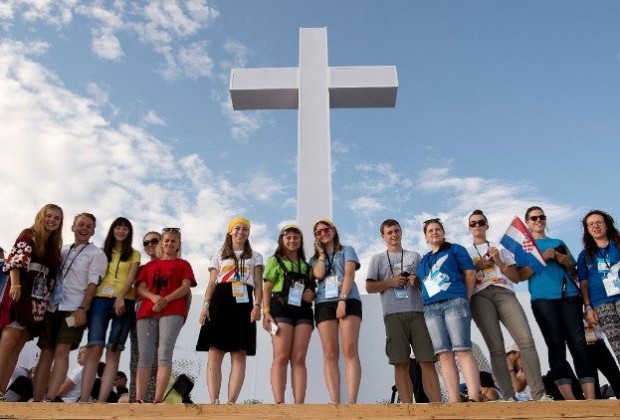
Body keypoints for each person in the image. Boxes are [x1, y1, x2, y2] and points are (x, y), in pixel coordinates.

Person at [465, 209, 549, 402]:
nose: (477, 226)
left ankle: (539, 394)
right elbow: (464, 278)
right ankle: (509, 396)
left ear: (487, 225)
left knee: (526, 341)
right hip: (480, 297)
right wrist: (477, 266)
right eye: (473, 223)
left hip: (504, 292)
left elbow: (516, 278)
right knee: (496, 348)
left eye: (480, 222)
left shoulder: (500, 247)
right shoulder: (466, 252)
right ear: (469, 228)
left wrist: (498, 261)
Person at [519, 206, 595, 399]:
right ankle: (570, 400)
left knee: (579, 345)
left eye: (541, 217)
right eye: (534, 218)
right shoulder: (525, 246)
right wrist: (541, 258)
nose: (538, 220)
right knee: (556, 346)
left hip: (568, 295)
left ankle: (591, 399)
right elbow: (520, 275)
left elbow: (573, 269)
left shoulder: (558, 242)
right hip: (543, 299)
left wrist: (565, 261)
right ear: (527, 222)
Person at [33, 213, 108, 402]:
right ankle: (36, 398)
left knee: (61, 350)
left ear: (93, 231)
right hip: (52, 306)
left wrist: (83, 308)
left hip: (74, 308)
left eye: (89, 226)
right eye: (80, 224)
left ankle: (50, 398)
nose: (84, 228)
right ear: (72, 227)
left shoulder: (96, 254)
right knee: (46, 351)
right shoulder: (63, 250)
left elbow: (93, 283)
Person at [365, 219, 441, 403]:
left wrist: (417, 281)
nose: (393, 235)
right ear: (383, 236)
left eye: (396, 231)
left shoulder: (415, 256)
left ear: (401, 232)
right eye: (389, 232)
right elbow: (369, 286)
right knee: (401, 363)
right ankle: (407, 409)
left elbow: (428, 281)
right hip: (393, 315)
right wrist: (391, 282)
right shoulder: (377, 259)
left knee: (427, 361)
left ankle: (439, 408)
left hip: (418, 312)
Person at [0, 204, 64, 402]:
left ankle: (1, 391)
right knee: (9, 339)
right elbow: (15, 260)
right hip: (21, 290)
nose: (52, 220)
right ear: (41, 216)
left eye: (57, 218)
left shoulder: (54, 246)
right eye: (49, 216)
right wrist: (16, 284)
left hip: (38, 299)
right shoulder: (29, 235)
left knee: (19, 344)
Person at [197, 217, 263, 404]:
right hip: (220, 300)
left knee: (239, 353)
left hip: (243, 303)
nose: (241, 232)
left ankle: (231, 402)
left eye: (245, 229)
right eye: (237, 228)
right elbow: (211, 282)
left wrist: (258, 305)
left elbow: (258, 283)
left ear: (249, 232)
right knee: (215, 353)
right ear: (230, 231)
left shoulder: (255, 256)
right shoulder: (218, 254)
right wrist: (205, 306)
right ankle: (214, 400)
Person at [416, 218, 480, 403]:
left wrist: (466, 298)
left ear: (443, 232)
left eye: (437, 229)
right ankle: (454, 401)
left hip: (454, 301)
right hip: (431, 309)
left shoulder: (456, 249)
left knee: (462, 349)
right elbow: (424, 284)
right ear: (426, 236)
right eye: (430, 231)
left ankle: (474, 398)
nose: (434, 232)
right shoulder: (424, 260)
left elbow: (470, 273)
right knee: (444, 354)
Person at [80, 217, 140, 402]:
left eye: (125, 228)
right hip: (100, 299)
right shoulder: (100, 252)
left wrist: (121, 296)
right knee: (94, 348)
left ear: (129, 232)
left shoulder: (134, 254)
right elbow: (94, 276)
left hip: (125, 300)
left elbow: (131, 278)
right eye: (118, 227)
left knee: (113, 351)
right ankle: (83, 399)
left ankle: (101, 401)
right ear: (112, 230)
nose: (121, 231)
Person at [135, 227, 196, 403]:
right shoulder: (148, 266)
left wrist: (165, 300)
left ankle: (158, 399)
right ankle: (139, 399)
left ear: (178, 245)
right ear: (162, 243)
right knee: (145, 356)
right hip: (147, 311)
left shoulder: (183, 264)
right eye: (167, 240)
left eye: (173, 241)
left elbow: (185, 287)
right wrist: (155, 298)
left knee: (164, 353)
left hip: (173, 311)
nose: (169, 243)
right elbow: (141, 288)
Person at [310, 219, 362, 404]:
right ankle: (335, 402)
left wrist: (342, 299)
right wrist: (322, 253)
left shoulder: (347, 250)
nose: (322, 233)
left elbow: (349, 274)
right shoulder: (315, 258)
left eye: (325, 230)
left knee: (349, 351)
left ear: (333, 230)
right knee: (330, 353)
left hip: (348, 299)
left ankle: (351, 402)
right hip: (324, 302)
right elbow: (317, 275)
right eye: (318, 232)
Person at [262, 224, 315, 403]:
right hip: (280, 309)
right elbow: (267, 288)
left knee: (299, 357)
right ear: (282, 241)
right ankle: (280, 403)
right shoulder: (274, 261)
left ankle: (299, 403)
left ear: (300, 241)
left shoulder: (306, 266)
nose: (292, 241)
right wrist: (266, 312)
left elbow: (311, 290)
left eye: (296, 238)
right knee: (281, 355)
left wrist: (311, 294)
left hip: (303, 312)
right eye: (288, 238)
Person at [577, 210, 620, 365]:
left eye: (599, 222)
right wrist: (588, 307)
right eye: (591, 224)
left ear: (606, 224)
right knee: (617, 345)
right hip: (600, 303)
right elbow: (583, 283)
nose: (595, 226)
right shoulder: (584, 255)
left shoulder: (618, 244)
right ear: (587, 229)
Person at [129, 231, 162, 403]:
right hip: (141, 318)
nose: (150, 244)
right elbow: (136, 293)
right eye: (146, 242)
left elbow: (186, 295)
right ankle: (137, 401)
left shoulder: (175, 264)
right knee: (138, 359)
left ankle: (153, 402)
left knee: (159, 360)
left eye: (154, 241)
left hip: (164, 319)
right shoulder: (142, 269)